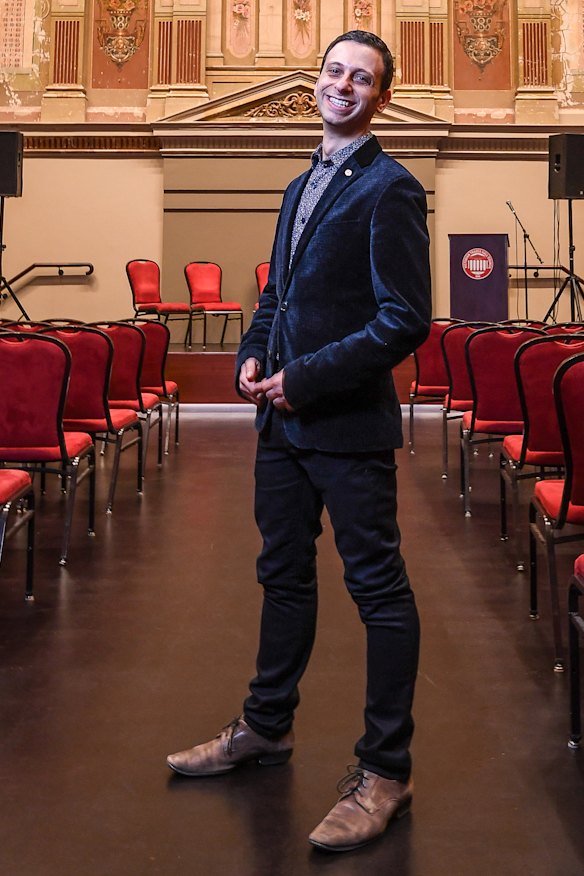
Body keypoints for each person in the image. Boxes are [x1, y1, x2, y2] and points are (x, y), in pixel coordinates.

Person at [167, 29, 431, 853]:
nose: (342, 86)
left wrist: (304, 376)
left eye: (361, 79)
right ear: (317, 82)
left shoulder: (391, 188)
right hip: (280, 426)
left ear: (379, 97)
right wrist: (253, 353)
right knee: (282, 575)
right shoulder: (297, 186)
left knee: (378, 591)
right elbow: (278, 296)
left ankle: (386, 770)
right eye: (334, 72)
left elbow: (404, 319)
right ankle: (266, 726)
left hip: (345, 425)